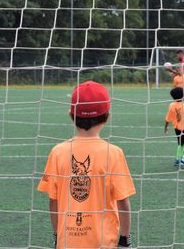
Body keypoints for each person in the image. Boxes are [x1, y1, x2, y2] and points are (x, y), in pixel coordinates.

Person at [37, 81, 136, 248]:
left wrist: (57, 235)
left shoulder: (57, 152)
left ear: (71, 115)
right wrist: (125, 239)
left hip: (67, 241)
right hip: (103, 242)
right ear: (107, 116)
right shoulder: (113, 153)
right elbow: (123, 201)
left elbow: (53, 201)